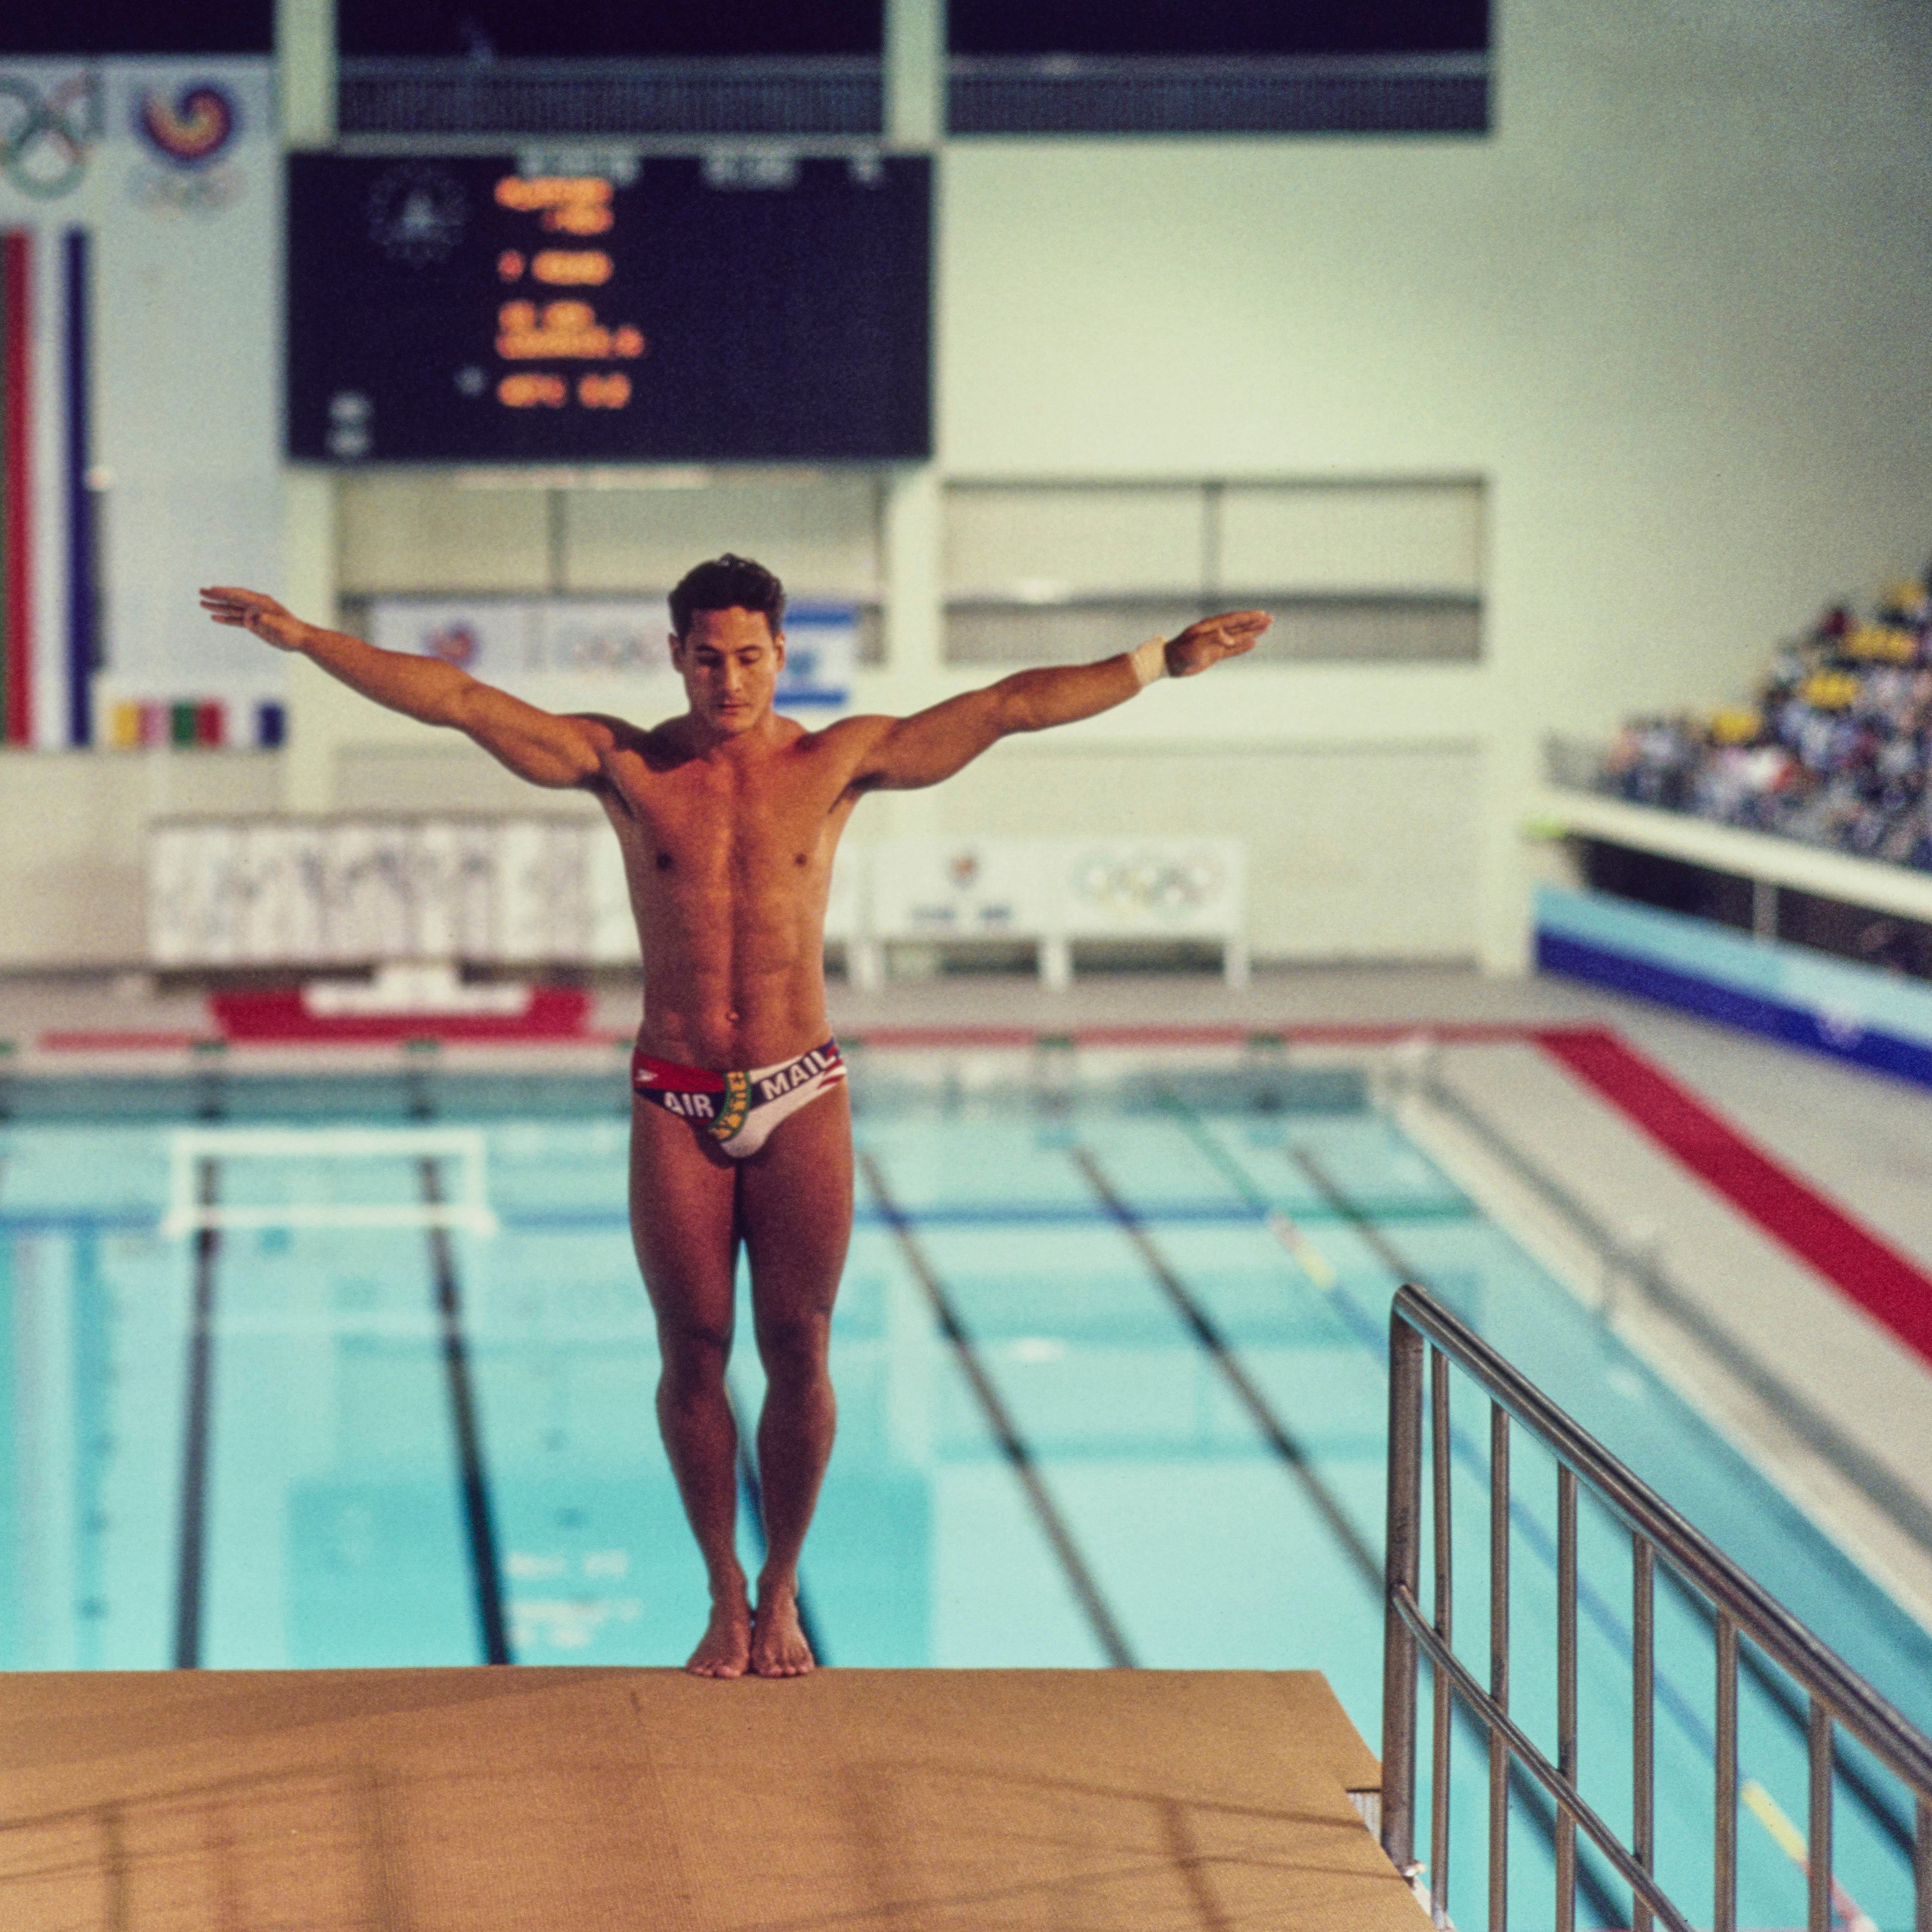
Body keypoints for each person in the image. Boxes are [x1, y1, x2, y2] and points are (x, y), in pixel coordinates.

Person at [201, 559, 1268, 1677]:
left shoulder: (837, 761)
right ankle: (720, 1585)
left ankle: (784, 1583)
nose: (729, 678)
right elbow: (461, 699)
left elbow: (1006, 705)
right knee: (692, 1354)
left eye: (750, 656)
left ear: (781, 655)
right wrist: (311, 639)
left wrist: (1160, 661)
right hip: (674, 1091)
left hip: (799, 1084)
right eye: (707, 656)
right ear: (675, 655)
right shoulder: (624, 763)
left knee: (798, 1347)